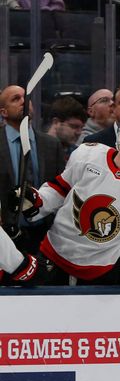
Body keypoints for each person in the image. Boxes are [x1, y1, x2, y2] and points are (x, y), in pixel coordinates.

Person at [22, 106, 120, 285]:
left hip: (100, 274)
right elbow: (59, 189)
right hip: (53, 257)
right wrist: (37, 201)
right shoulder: (88, 154)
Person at [0, 84, 66, 254]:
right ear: (3, 112)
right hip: (5, 235)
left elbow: (63, 189)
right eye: (16, 99)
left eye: (26, 97)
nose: (24, 101)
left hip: (45, 233)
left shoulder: (52, 145)